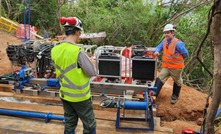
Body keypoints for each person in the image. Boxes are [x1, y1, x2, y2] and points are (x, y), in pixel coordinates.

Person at [51, 17, 96, 134]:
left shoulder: (55, 49)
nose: (80, 35)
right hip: (80, 96)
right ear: (76, 32)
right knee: (90, 125)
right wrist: (92, 63)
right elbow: (91, 72)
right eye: (79, 32)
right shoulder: (78, 51)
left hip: (65, 94)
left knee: (70, 124)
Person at [153, 24, 188, 104]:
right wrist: (157, 51)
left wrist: (178, 59)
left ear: (172, 33)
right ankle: (154, 94)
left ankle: (175, 96)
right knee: (160, 78)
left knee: (177, 80)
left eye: (168, 33)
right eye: (165, 33)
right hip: (166, 66)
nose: (166, 34)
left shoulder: (178, 43)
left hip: (176, 67)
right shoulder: (164, 41)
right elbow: (159, 47)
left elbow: (185, 54)